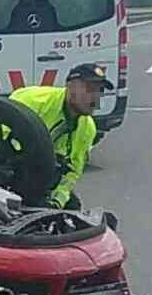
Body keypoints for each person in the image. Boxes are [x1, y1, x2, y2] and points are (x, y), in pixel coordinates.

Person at [8, 62, 113, 210]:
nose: (95, 97)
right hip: (4, 171)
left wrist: (57, 201)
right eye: (89, 89)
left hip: (40, 180)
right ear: (70, 87)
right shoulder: (33, 101)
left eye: (99, 91)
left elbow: (72, 172)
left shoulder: (88, 128)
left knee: (73, 211)